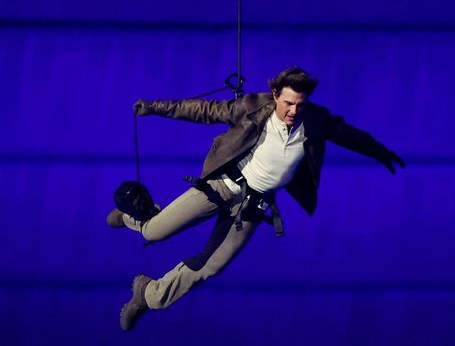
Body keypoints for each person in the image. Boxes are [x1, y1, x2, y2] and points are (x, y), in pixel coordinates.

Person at [106, 66, 405, 331]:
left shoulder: (314, 120)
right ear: (275, 94)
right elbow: (205, 110)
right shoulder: (252, 106)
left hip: (252, 206)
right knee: (154, 231)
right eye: (287, 103)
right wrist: (155, 107)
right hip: (221, 186)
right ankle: (130, 218)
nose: (293, 111)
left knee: (213, 266)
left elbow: (349, 135)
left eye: (299, 105)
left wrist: (381, 152)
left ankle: (149, 294)